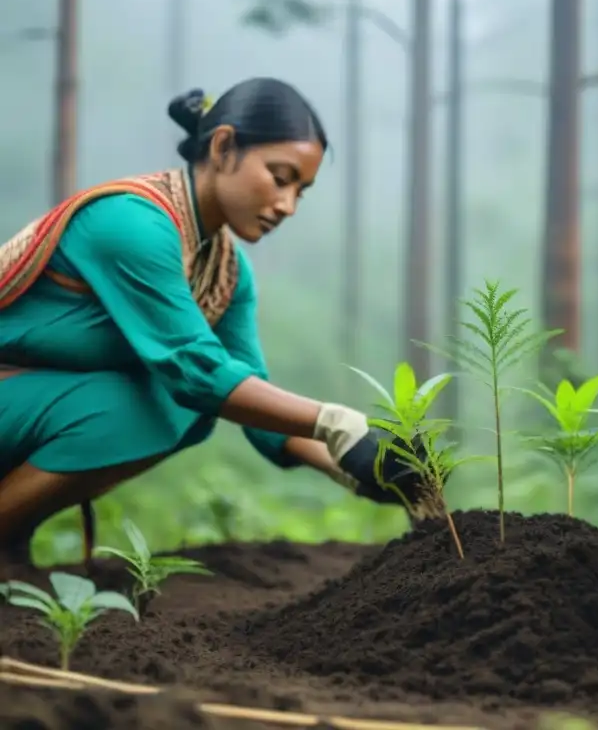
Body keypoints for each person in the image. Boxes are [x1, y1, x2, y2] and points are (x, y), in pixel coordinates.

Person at [0, 78, 426, 569]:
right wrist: (337, 422)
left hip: (28, 410)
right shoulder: (131, 223)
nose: (287, 205)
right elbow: (197, 373)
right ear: (223, 147)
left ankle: (11, 543)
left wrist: (357, 466)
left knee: (190, 405)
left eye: (301, 192)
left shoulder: (224, 272)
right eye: (280, 177)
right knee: (159, 403)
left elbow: (252, 395)